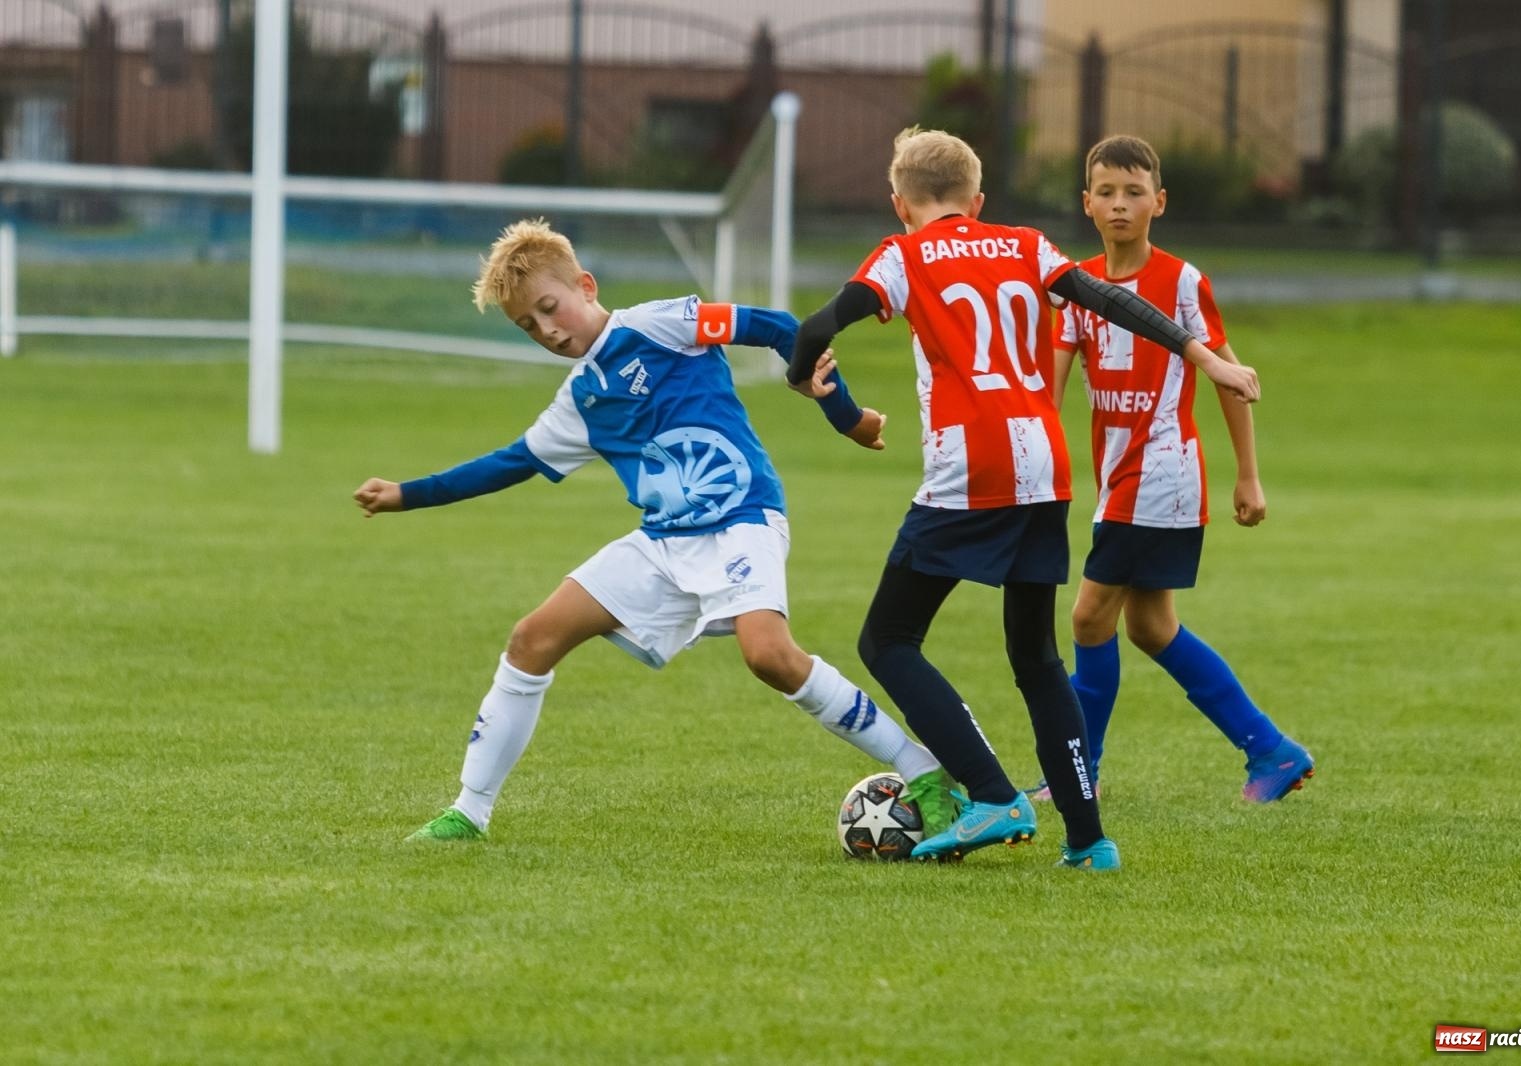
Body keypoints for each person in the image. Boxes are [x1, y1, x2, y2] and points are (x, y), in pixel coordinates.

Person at [354, 217, 956, 843]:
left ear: (586, 286)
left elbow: (781, 328)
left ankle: (923, 769)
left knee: (769, 656)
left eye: (549, 308)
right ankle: (469, 811)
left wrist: (846, 416)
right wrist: (406, 495)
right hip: (664, 542)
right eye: (528, 325)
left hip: (742, 518)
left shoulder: (659, 323)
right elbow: (511, 463)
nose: (547, 330)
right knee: (532, 638)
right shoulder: (580, 401)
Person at [787, 128, 1261, 869]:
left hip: (969, 467)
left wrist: (814, 388)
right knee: (1037, 656)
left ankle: (992, 794)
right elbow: (1111, 300)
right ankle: (1088, 840)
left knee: (888, 640)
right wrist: (1204, 356)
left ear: (899, 204)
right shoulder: (1026, 245)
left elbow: (818, 327)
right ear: (977, 201)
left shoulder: (901, 254)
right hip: (1044, 463)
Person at [1040, 134, 1313, 804]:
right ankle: (1272, 750)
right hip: (1119, 478)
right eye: (1106, 192)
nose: (1120, 204)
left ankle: (1078, 775)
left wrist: (1247, 474)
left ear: (1158, 202)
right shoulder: (1074, 287)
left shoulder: (1182, 281)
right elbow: (1050, 389)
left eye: (1134, 192)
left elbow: (1228, 377)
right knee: (1150, 627)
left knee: (1089, 618)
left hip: (1161, 473)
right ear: (1086, 203)